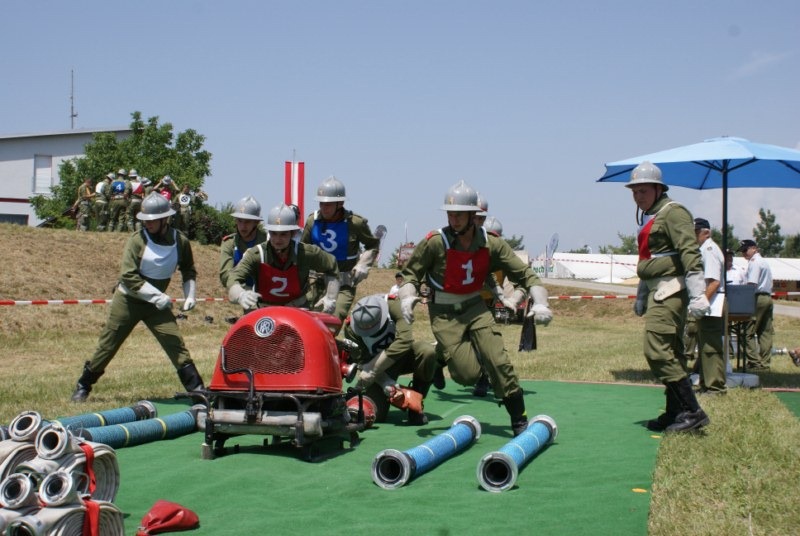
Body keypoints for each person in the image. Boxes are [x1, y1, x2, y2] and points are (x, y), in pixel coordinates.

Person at [399, 180, 553, 437]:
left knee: (498, 360)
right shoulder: (435, 242)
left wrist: (541, 302)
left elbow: (526, 275)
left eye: (460, 214)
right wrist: (407, 297)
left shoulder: (492, 244)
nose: (454, 219)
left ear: (474, 216)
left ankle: (519, 419)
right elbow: (409, 275)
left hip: (476, 307)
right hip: (444, 314)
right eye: (450, 214)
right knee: (467, 374)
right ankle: (435, 362)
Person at [71, 192, 203, 402]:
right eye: (145, 220)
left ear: (164, 219)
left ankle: (197, 390)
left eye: (152, 220)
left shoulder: (180, 241)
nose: (147, 224)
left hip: (156, 307)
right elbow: (128, 275)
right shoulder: (137, 240)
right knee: (108, 345)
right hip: (128, 301)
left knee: (175, 343)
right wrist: (157, 296)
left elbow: (188, 269)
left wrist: (190, 295)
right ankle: (83, 385)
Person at [627, 161, 711, 433]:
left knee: (657, 349)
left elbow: (689, 252)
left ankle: (692, 411)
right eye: (634, 191)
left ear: (658, 189)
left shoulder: (673, 212)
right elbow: (649, 259)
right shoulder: (651, 215)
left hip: (670, 290)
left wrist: (698, 293)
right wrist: (642, 295)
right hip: (657, 290)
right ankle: (676, 411)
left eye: (643, 190)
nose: (638, 196)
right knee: (672, 351)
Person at [228, 203, 340, 314]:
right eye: (274, 234)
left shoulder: (306, 253)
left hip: (298, 311)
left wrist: (330, 297)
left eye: (283, 234)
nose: (278, 240)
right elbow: (233, 279)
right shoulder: (256, 255)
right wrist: (241, 294)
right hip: (264, 313)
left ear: (293, 233)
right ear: (269, 232)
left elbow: (332, 266)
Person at [300, 176, 382, 328]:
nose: (324, 208)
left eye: (328, 204)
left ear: (340, 203)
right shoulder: (312, 221)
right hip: (314, 283)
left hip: (343, 285)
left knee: (330, 325)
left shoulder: (355, 223)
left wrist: (363, 264)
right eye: (321, 203)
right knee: (306, 325)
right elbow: (301, 250)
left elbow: (373, 245)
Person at [344, 294, 437, 425]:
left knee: (427, 352)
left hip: (404, 356)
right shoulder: (351, 329)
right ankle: (397, 396)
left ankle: (417, 405)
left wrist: (372, 369)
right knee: (374, 415)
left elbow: (405, 340)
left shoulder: (394, 306)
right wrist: (385, 382)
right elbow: (364, 362)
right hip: (381, 370)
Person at [693, 218, 727, 395]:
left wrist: (702, 302)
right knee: (704, 346)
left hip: (712, 303)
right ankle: (706, 384)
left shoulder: (709, 250)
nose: (692, 236)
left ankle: (715, 386)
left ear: (706, 232)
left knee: (711, 347)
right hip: (709, 303)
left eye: (695, 232)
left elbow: (714, 282)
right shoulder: (704, 249)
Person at [738, 239, 774, 370]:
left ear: (754, 248)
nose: (743, 253)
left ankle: (754, 362)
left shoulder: (754, 262)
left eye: (745, 250)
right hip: (767, 297)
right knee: (765, 332)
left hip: (757, 298)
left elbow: (751, 284)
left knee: (747, 331)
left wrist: (743, 301)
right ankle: (765, 362)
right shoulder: (763, 261)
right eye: (742, 251)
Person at [219, 196, 267, 290]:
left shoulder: (267, 242)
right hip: (238, 293)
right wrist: (242, 290)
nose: (242, 226)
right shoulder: (229, 243)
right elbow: (225, 275)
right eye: (239, 221)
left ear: (256, 222)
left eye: (247, 222)